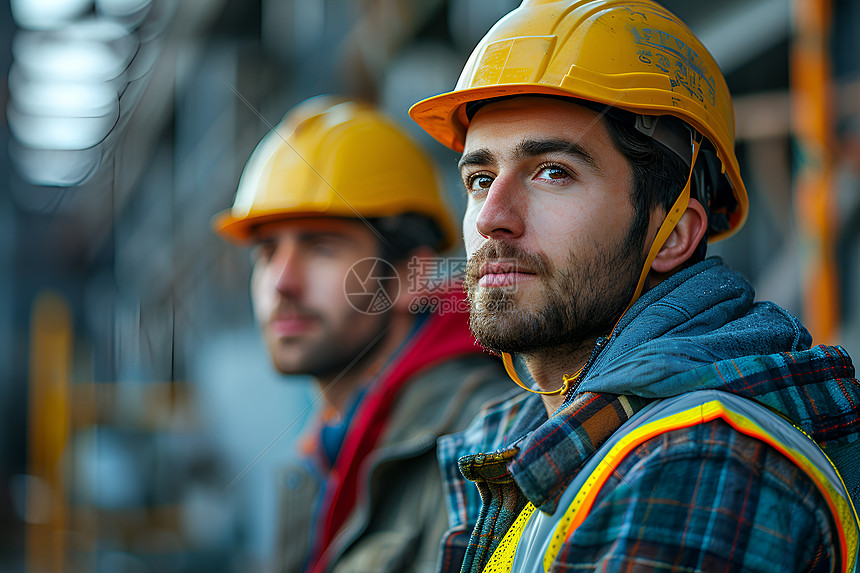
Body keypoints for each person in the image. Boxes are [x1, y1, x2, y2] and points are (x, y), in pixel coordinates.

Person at [408, 1, 860, 571]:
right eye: (479, 179)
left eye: (553, 171)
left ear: (672, 233)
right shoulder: (524, 429)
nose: (490, 217)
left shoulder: (703, 461)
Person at [213, 97, 511, 573]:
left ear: (411, 277)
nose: (282, 281)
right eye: (267, 251)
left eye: (320, 247)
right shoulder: (326, 450)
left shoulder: (484, 441)